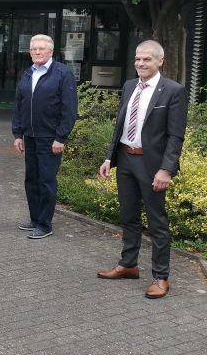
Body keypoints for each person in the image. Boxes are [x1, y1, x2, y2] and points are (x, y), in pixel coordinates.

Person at [96, 40, 187, 299]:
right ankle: (129, 265)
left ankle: (160, 276)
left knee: (157, 222)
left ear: (160, 61)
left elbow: (175, 136)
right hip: (125, 160)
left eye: (147, 59)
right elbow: (121, 126)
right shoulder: (128, 86)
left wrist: (166, 170)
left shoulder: (173, 91)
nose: (140, 63)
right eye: (138, 59)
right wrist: (108, 158)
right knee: (128, 216)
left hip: (152, 164)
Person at [11, 34, 78, 239]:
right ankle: (35, 219)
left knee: (46, 181)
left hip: (50, 138)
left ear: (51, 51)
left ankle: (45, 224)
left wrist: (61, 138)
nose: (37, 52)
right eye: (33, 49)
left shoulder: (62, 73)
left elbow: (69, 109)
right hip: (30, 136)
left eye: (41, 49)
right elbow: (19, 105)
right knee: (31, 179)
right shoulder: (28, 73)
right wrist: (18, 133)